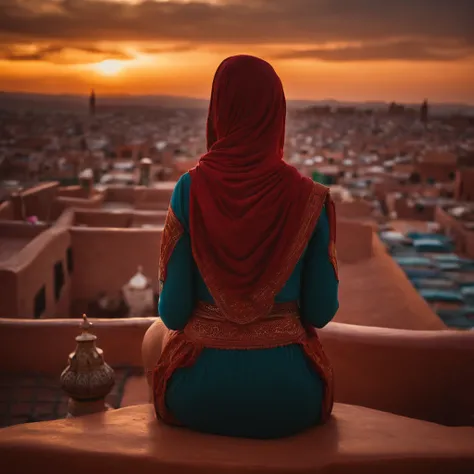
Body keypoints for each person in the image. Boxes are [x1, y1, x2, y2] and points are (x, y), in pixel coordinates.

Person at [142, 55, 339, 439]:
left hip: (198, 392)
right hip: (291, 395)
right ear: (275, 113)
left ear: (219, 110)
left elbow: (173, 313)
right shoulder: (310, 198)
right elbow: (321, 310)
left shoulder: (190, 190)